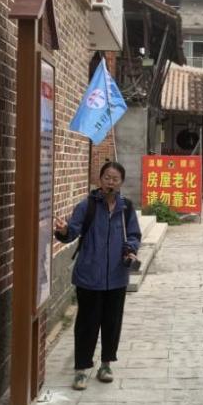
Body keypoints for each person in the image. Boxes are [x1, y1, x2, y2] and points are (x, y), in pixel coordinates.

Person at [55, 161, 142, 391]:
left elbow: (134, 235)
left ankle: (106, 365)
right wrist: (64, 230)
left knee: (112, 323)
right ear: (99, 180)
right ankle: (81, 369)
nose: (110, 182)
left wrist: (131, 249)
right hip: (89, 276)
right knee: (87, 324)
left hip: (116, 277)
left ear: (121, 182)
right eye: (107, 178)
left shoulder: (126, 208)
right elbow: (72, 232)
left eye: (115, 179)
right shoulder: (87, 206)